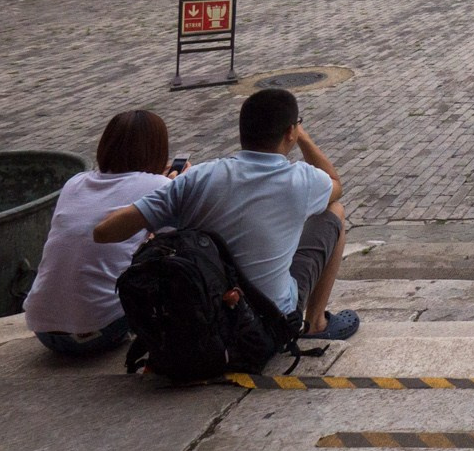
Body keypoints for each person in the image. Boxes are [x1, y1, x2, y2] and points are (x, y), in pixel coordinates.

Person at [93, 88, 359, 340]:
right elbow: (336, 183)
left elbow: (104, 233)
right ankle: (315, 324)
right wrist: (304, 137)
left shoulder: (197, 178)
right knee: (334, 211)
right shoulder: (303, 180)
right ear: (290, 131)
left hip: (204, 318)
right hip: (269, 321)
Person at [23, 110, 177, 357]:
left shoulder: (74, 182)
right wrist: (177, 186)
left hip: (43, 330)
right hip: (102, 329)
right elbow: (176, 238)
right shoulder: (158, 186)